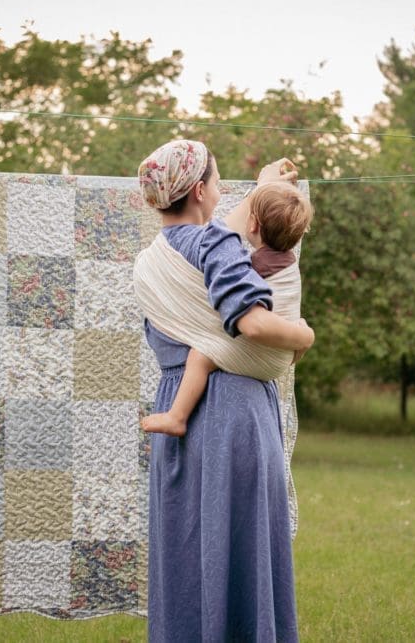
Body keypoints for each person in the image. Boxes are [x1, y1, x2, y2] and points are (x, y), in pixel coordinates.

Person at [134, 139, 312, 642]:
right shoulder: (216, 245)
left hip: (177, 407)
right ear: (199, 190)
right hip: (233, 411)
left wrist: (266, 187)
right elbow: (252, 323)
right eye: (216, 181)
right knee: (241, 550)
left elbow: (230, 225)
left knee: (186, 553)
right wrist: (304, 336)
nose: (221, 191)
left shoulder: (153, 259)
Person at [139, 181, 314, 437]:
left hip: (264, 358)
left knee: (200, 357)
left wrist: (306, 336)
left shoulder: (256, 263)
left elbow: (225, 266)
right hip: (280, 360)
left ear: (253, 225)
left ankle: (177, 417)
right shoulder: (287, 262)